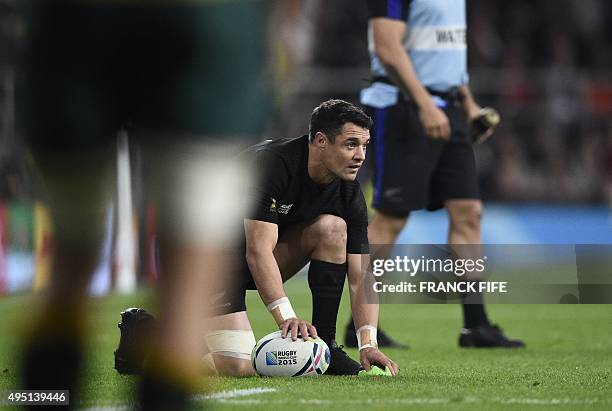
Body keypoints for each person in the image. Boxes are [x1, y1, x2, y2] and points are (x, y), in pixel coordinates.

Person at [19, 0, 269, 409]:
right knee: (185, 289)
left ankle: (42, 394)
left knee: (68, 267)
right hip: (207, 21)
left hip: (79, 19)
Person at [344, 0, 524, 349]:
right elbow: (386, 46)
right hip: (403, 106)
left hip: (449, 108)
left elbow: (447, 50)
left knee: (469, 213)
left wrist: (467, 103)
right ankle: (359, 325)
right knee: (391, 218)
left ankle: (476, 326)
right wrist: (426, 103)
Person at [198, 99, 398, 376]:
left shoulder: (348, 192)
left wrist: (368, 343)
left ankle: (326, 347)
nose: (361, 155)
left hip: (252, 263)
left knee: (332, 229)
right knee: (239, 367)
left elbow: (361, 273)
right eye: (351, 144)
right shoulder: (272, 165)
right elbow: (257, 250)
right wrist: (287, 318)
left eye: (365, 145)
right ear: (320, 141)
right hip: (208, 264)